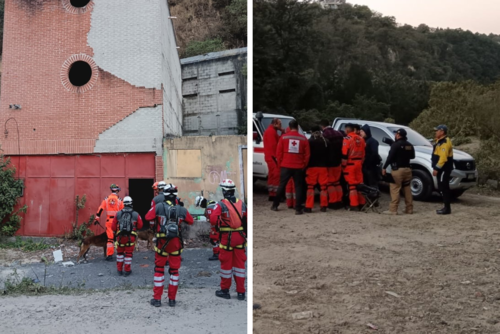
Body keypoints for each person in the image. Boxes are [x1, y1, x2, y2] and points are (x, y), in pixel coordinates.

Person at [145, 184, 194, 307]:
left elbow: (147, 217)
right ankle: (172, 299)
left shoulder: (159, 207)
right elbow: (191, 221)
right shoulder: (181, 209)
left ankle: (157, 299)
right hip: (176, 243)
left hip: (162, 243)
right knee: (174, 271)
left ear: (164, 194)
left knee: (159, 270)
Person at [209, 179, 247, 300]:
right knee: (240, 265)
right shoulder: (242, 204)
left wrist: (219, 225)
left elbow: (213, 219)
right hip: (240, 238)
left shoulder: (221, 204)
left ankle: (225, 290)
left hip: (227, 238)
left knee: (226, 265)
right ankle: (241, 292)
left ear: (224, 192)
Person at [271, 120, 310, 214]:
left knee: (281, 185)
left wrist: (280, 164)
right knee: (298, 187)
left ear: (289, 127)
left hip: (285, 165)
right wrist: (304, 165)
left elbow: (278, 152)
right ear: (297, 127)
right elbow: (307, 154)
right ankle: (298, 209)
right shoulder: (303, 139)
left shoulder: (283, 137)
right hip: (298, 166)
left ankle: (275, 205)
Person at [382, 128, 415, 215]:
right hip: (407, 170)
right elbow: (412, 156)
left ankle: (393, 209)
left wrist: (384, 167)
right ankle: (409, 209)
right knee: (407, 189)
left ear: (398, 135)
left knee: (395, 188)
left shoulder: (395, 145)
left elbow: (390, 157)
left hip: (398, 170)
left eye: (396, 134)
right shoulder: (410, 145)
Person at [111, 196, 143, 276]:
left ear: (124, 204)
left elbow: (113, 227)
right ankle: (127, 270)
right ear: (131, 203)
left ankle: (119, 270)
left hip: (120, 237)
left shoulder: (118, 214)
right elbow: (140, 226)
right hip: (130, 237)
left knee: (119, 253)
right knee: (128, 254)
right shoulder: (135, 214)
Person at [95, 184, 124, 261]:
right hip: (117, 221)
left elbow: (100, 209)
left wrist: (97, 219)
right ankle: (120, 253)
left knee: (110, 239)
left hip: (109, 222)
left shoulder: (106, 199)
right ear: (117, 191)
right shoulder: (120, 200)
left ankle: (110, 255)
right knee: (119, 238)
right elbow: (123, 211)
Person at [320, 120, 344, 210]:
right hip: (338, 162)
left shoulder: (325, 135)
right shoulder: (339, 134)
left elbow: (323, 150)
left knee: (330, 183)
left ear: (322, 126)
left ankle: (333, 202)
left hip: (329, 163)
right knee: (337, 183)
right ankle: (339, 200)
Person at [342, 124, 366, 211]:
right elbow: (363, 154)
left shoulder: (347, 139)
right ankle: (362, 203)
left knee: (352, 185)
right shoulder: (361, 139)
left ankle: (354, 204)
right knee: (359, 184)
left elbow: (344, 154)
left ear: (347, 130)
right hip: (359, 163)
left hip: (350, 164)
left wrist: (343, 166)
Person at [305, 126, 329, 212]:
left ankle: (308, 207)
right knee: (323, 187)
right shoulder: (326, 141)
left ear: (312, 131)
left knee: (310, 187)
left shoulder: (310, 141)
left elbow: (307, 154)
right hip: (323, 167)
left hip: (312, 167)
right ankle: (324, 206)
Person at [432, 124, 453, 215]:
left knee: (443, 187)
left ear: (442, 132)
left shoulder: (444, 142)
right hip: (442, 169)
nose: (436, 132)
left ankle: (447, 208)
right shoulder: (439, 141)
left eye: (437, 130)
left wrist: (436, 168)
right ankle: (446, 207)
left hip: (444, 169)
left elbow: (443, 158)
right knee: (442, 187)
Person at [263, 118, 283, 201]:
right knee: (276, 175)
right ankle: (275, 195)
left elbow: (278, 140)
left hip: (270, 156)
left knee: (271, 175)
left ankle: (271, 194)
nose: (280, 126)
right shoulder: (271, 132)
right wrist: (277, 157)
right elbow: (275, 145)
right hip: (273, 157)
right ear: (275, 123)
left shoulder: (270, 131)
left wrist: (281, 132)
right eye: (279, 124)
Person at [195, 195, 219, 261]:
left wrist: (207, 220)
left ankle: (216, 254)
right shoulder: (213, 203)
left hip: (216, 226)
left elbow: (212, 219)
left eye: (200, 205)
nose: (201, 207)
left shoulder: (209, 207)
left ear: (201, 203)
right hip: (220, 225)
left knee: (214, 240)